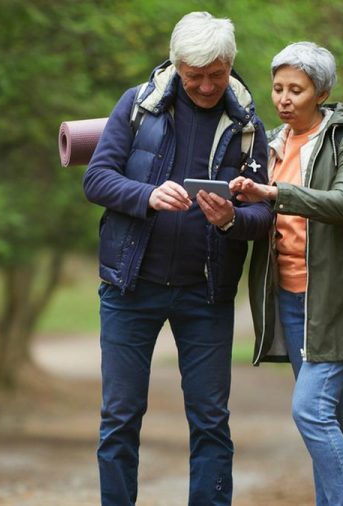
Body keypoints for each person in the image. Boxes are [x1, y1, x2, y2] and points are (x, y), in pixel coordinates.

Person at [82, 12, 272, 506]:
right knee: (120, 417)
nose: (207, 86)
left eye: (218, 74)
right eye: (195, 76)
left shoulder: (249, 125)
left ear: (230, 65)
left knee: (211, 421)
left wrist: (232, 219)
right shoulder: (137, 106)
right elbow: (96, 179)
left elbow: (265, 214)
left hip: (205, 293)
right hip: (130, 287)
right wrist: (146, 195)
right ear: (177, 65)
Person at [230, 41, 343, 505]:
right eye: (278, 88)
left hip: (340, 294)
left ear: (321, 92)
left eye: (296, 90)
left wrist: (273, 193)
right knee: (329, 415)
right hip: (289, 295)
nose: (284, 99)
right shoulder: (269, 143)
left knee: (309, 411)